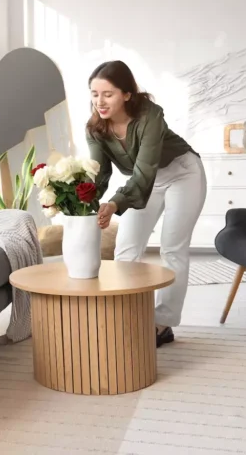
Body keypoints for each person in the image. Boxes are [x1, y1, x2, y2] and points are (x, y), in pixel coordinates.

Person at [86, 60, 207, 348]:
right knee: (126, 248)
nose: (100, 102)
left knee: (172, 249)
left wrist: (115, 204)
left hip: (182, 173)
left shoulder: (151, 116)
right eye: (94, 94)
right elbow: (98, 174)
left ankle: (162, 324)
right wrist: (84, 204)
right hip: (144, 181)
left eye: (108, 94)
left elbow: (144, 172)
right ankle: (125, 317)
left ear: (127, 94)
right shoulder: (96, 128)